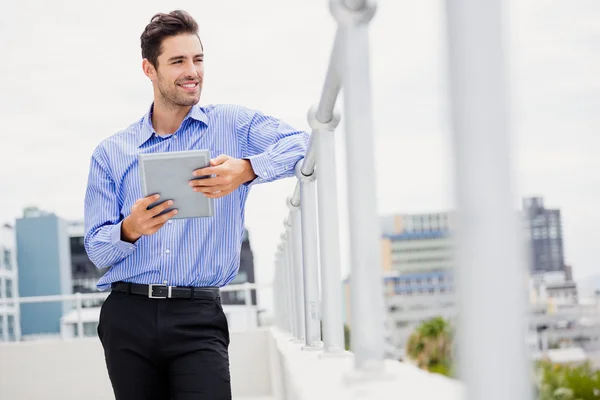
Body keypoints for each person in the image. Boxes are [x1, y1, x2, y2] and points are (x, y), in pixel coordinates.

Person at [83, 9, 309, 400]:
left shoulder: (234, 126)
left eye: (198, 59)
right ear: (149, 69)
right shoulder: (110, 153)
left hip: (198, 317)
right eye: (178, 61)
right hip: (127, 315)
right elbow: (96, 248)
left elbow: (309, 142)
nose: (193, 71)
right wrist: (130, 228)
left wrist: (250, 168)